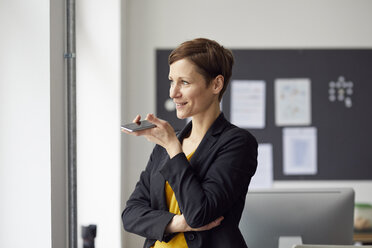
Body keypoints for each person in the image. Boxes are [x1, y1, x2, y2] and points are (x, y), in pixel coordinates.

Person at [121, 38, 258, 248]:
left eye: (184, 82)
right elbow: (131, 214)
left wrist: (174, 149)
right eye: (171, 81)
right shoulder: (165, 143)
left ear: (216, 84)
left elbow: (199, 213)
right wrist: (177, 223)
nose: (173, 93)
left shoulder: (237, 143)